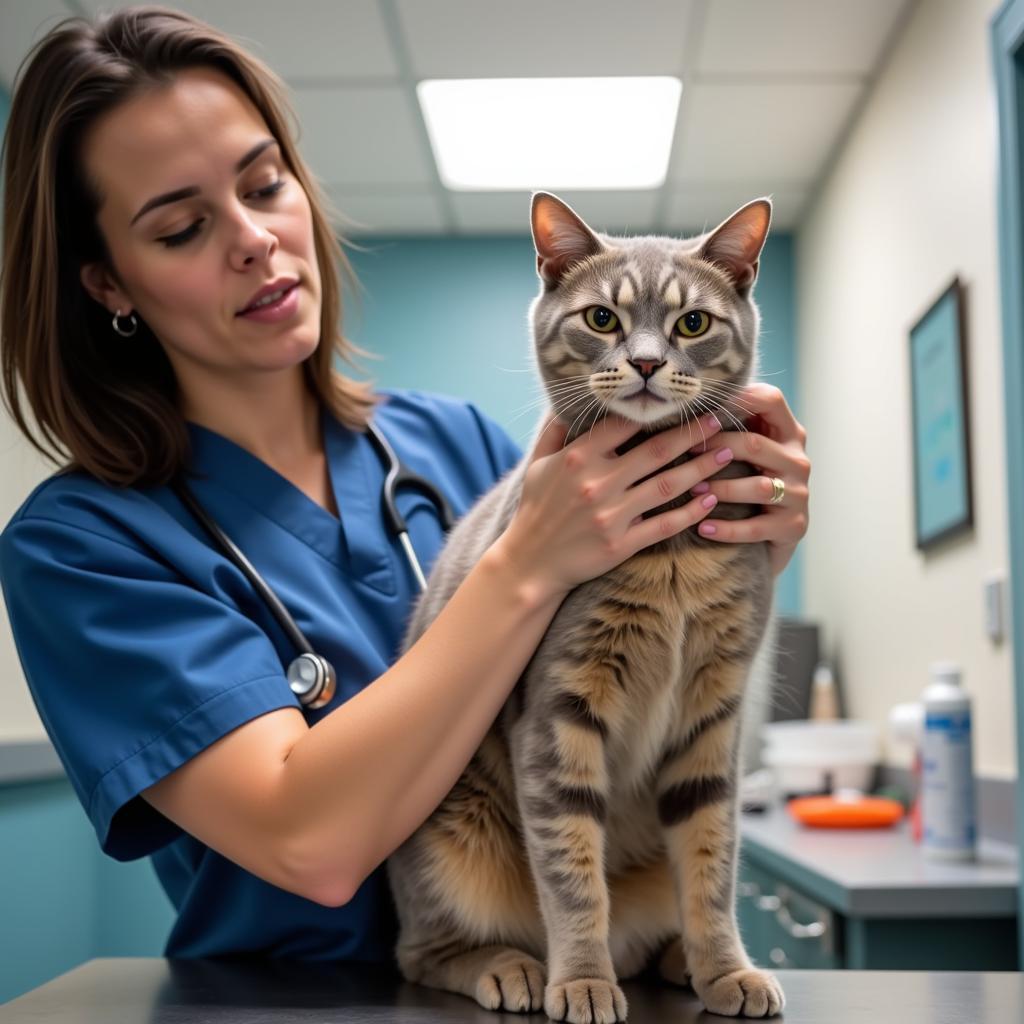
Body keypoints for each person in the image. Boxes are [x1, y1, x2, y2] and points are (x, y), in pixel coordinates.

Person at [0, 6, 811, 962]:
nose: (256, 239)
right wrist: (523, 567)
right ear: (109, 284)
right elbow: (309, 843)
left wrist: (750, 539)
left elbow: (643, 712)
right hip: (286, 1005)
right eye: (181, 227)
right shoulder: (83, 548)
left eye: (267, 184)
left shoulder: (449, 442)